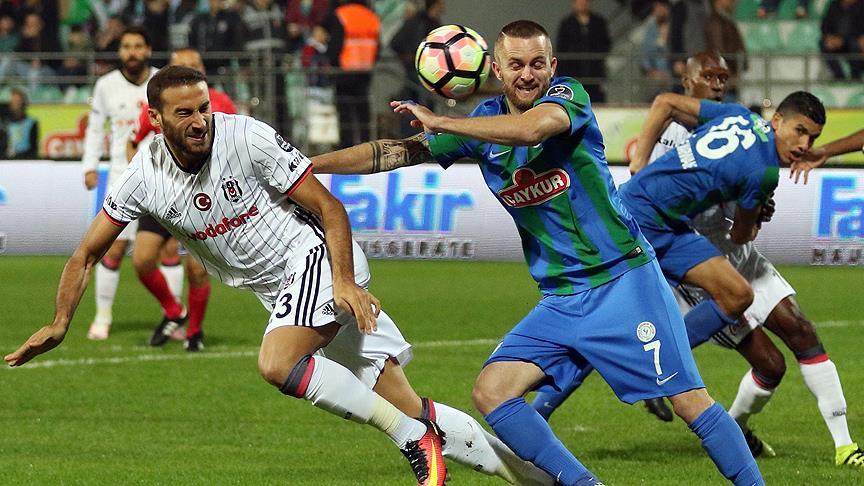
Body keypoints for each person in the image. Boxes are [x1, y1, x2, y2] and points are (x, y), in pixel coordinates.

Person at [5, 65, 554, 486]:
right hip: (281, 291)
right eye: (184, 113)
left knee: (277, 363)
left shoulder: (246, 137)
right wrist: (60, 321)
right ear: (156, 119)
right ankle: (543, 480)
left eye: (204, 108)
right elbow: (85, 254)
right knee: (410, 403)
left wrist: (343, 281)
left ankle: (412, 440)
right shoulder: (142, 178)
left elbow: (329, 208)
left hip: (317, 260)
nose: (199, 121)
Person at [312, 19, 763, 485]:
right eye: (516, 65)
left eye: (537, 64)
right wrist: (307, 166)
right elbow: (395, 152)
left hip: (622, 281)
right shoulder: (483, 124)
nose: (527, 74)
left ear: (552, 66)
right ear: (497, 70)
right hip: (561, 298)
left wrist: (444, 120)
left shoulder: (568, 98)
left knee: (689, 402)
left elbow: (532, 130)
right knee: (493, 392)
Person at [536, 51, 864, 468]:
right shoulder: (761, 169)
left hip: (670, 226)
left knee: (738, 296)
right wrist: (754, 213)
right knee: (605, 322)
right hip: (642, 222)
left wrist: (639, 160)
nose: (804, 145)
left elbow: (667, 107)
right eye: (800, 132)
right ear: (778, 121)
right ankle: (547, 405)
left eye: (812, 139)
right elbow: (741, 233)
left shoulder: (738, 116)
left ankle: (654, 366)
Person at [126, 47, 237, 350]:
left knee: (198, 269)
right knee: (142, 260)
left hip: (205, 198)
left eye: (194, 65)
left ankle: (194, 333)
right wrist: (141, 177)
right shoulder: (159, 106)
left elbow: (236, 149)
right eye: (182, 66)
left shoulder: (220, 103)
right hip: (164, 194)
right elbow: (133, 141)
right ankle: (175, 312)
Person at [81, 26, 158, 341]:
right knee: (112, 247)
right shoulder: (105, 85)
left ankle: (173, 318)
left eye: (138, 46)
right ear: (120, 51)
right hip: (120, 176)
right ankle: (102, 316)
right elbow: (95, 128)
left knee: (167, 250)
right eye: (126, 46)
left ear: (148, 50)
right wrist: (89, 165)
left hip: (162, 177)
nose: (132, 52)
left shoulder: (161, 82)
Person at [322, 0, 380, 148]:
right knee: (363, 112)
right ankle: (367, 146)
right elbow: (378, 46)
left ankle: (347, 147)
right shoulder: (371, 16)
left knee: (345, 114)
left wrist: (330, 62)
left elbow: (335, 44)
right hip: (365, 70)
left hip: (344, 71)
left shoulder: (341, 14)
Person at [556, 0, 611, 102]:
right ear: (574, 4)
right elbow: (561, 47)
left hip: (594, 71)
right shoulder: (567, 23)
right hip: (573, 71)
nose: (582, 4)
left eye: (585, 2)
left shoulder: (598, 22)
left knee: (596, 101)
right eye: (579, 2)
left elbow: (605, 43)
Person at [705, 0, 746, 100]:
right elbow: (718, 49)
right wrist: (727, 72)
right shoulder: (716, 22)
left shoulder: (725, 20)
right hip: (724, 76)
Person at [819, 0, 864, 80]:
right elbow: (825, 24)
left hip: (854, 40)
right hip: (837, 40)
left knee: (856, 45)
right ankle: (839, 76)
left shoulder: (862, 5)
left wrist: (843, 39)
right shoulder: (834, 4)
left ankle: (856, 76)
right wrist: (829, 37)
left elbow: (859, 29)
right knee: (824, 43)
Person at [3, 87, 38, 159]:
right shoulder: (5, 123)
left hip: (25, 159)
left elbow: (34, 147)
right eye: (13, 102)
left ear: (24, 103)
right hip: (7, 159)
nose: (16, 105)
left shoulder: (31, 123)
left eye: (18, 101)